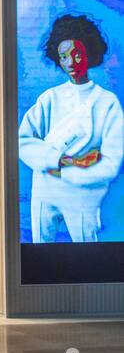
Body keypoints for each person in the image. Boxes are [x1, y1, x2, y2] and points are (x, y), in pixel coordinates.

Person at [19, 13, 124, 242]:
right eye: (64, 56)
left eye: (77, 54)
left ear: (89, 52)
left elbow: (111, 163)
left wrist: (64, 172)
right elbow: (22, 140)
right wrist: (67, 160)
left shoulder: (106, 103)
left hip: (83, 194)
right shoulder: (50, 98)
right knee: (41, 256)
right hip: (45, 191)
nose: (70, 63)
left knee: (89, 255)